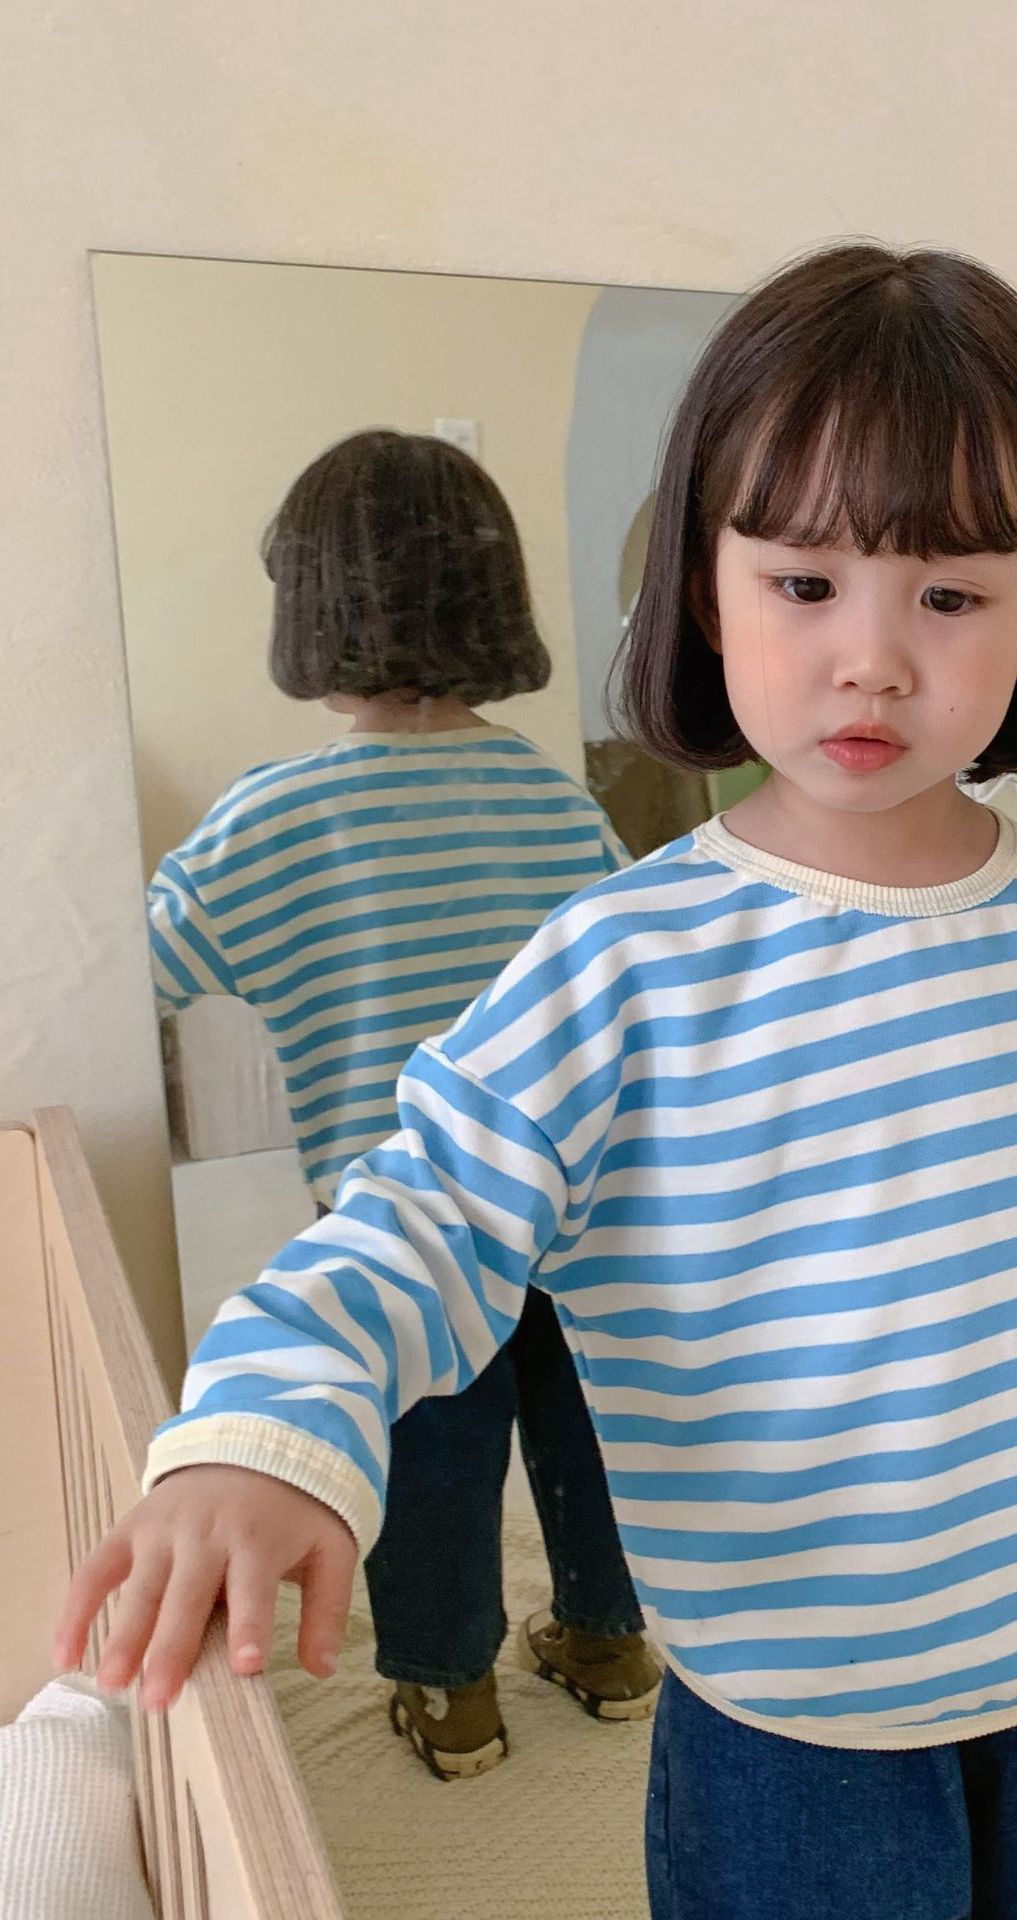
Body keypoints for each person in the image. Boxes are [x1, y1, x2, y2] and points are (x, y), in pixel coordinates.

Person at [61, 244, 1017, 1914]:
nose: (872, 658)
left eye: (949, 596)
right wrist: (261, 1434)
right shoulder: (619, 963)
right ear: (705, 590)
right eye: (804, 584)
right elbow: (416, 1223)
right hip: (792, 1707)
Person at [141, 429, 660, 1777]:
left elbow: (135, 972)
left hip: (408, 1224)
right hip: (583, 1208)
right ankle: (609, 1645)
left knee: (430, 1457)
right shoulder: (556, 804)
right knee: (592, 1432)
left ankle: (449, 1692)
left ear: (306, 610)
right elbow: (634, 986)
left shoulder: (267, 824)